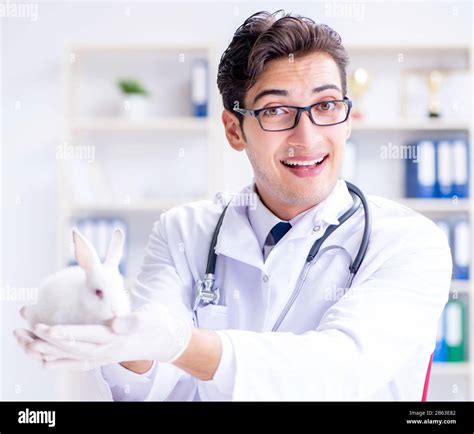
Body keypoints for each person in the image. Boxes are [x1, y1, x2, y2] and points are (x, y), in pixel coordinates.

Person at [14, 10, 452, 401]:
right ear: (234, 130)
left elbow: (341, 371)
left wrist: (182, 344)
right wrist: (125, 345)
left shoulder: (409, 242)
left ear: (348, 116)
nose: (308, 136)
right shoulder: (183, 231)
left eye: (325, 105)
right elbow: (151, 389)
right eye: (277, 110)